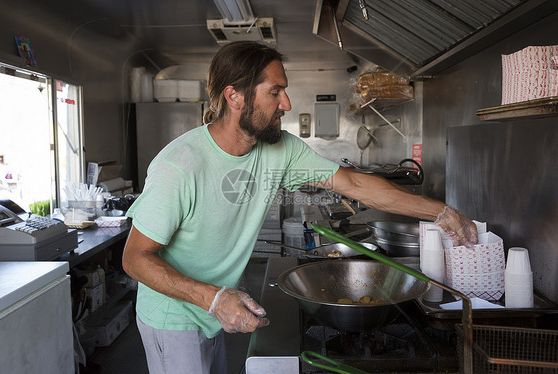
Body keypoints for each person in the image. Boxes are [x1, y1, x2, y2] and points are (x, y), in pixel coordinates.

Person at [122, 41, 478, 374]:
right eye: (274, 92)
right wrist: (212, 298)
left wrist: (440, 212)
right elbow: (135, 258)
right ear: (234, 96)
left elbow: (353, 184)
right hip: (173, 317)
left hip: (213, 309)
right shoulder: (179, 165)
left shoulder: (279, 148)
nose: (287, 104)